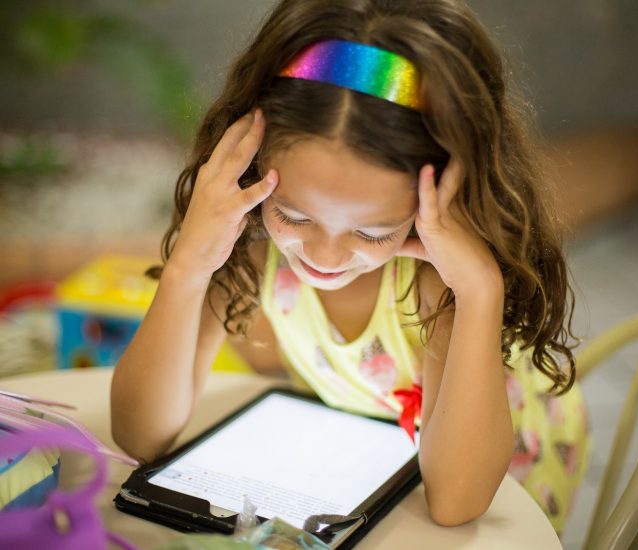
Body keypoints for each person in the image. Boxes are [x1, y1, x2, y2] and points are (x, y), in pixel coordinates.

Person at [111, 0, 590, 534]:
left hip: (500, 478)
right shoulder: (247, 243)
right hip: (367, 454)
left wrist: (479, 289)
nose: (324, 257)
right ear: (251, 167)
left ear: (441, 200)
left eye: (372, 231)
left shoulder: (439, 279)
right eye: (293, 214)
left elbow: (456, 502)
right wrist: (188, 266)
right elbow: (140, 436)